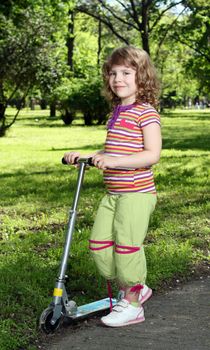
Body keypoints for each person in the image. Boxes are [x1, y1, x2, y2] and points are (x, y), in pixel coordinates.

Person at [64, 46, 162, 327]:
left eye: (126, 73)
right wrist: (83, 156)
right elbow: (111, 149)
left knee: (127, 248)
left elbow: (152, 154)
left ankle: (133, 304)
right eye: (113, 73)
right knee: (99, 245)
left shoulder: (146, 113)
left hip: (137, 193)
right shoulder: (117, 112)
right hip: (114, 193)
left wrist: (114, 161)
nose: (118, 78)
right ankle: (134, 288)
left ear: (141, 77)